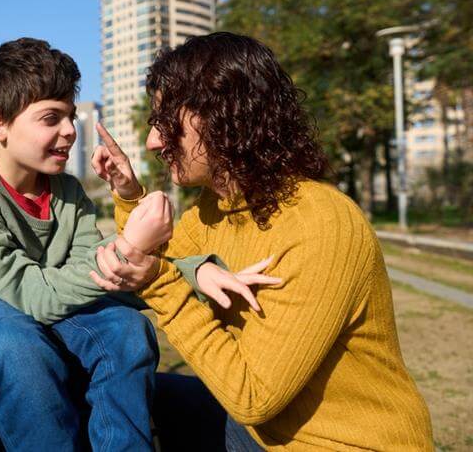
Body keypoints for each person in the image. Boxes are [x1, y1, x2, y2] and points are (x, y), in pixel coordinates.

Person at [90, 32, 433, 450]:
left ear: (224, 116)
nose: (153, 142)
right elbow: (160, 255)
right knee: (124, 394)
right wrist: (129, 197)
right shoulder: (212, 209)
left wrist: (159, 283)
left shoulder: (321, 223)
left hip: (343, 443)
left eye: (166, 124)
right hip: (264, 435)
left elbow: (255, 398)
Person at [0, 37, 174, 451]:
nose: (70, 130)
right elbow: (36, 295)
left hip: (41, 291)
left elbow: (87, 267)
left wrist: (193, 270)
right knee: (19, 349)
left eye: (70, 116)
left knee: (126, 331)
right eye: (51, 118)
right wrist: (127, 250)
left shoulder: (68, 192)